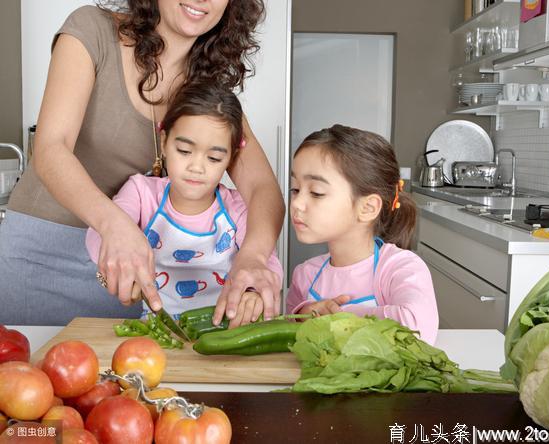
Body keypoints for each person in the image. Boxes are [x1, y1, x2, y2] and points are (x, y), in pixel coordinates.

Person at [0, 0, 284, 326]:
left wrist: (254, 256)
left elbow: (263, 188)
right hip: (44, 258)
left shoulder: (208, 92)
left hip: (134, 277)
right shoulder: (92, 30)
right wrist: (114, 225)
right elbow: (51, 148)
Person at [85, 83, 282, 325]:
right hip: (158, 330)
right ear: (165, 141)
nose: (196, 167)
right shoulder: (141, 193)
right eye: (185, 150)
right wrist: (118, 262)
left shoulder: (237, 209)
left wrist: (253, 295)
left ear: (231, 157)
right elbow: (98, 234)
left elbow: (268, 263)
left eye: (214, 158)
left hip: (224, 333)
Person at [286, 125, 439, 343]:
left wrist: (335, 319)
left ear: (367, 207)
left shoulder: (399, 268)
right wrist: (304, 314)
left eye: (316, 192)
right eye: (295, 189)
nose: (297, 203)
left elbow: (417, 327)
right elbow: (284, 333)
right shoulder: (305, 275)